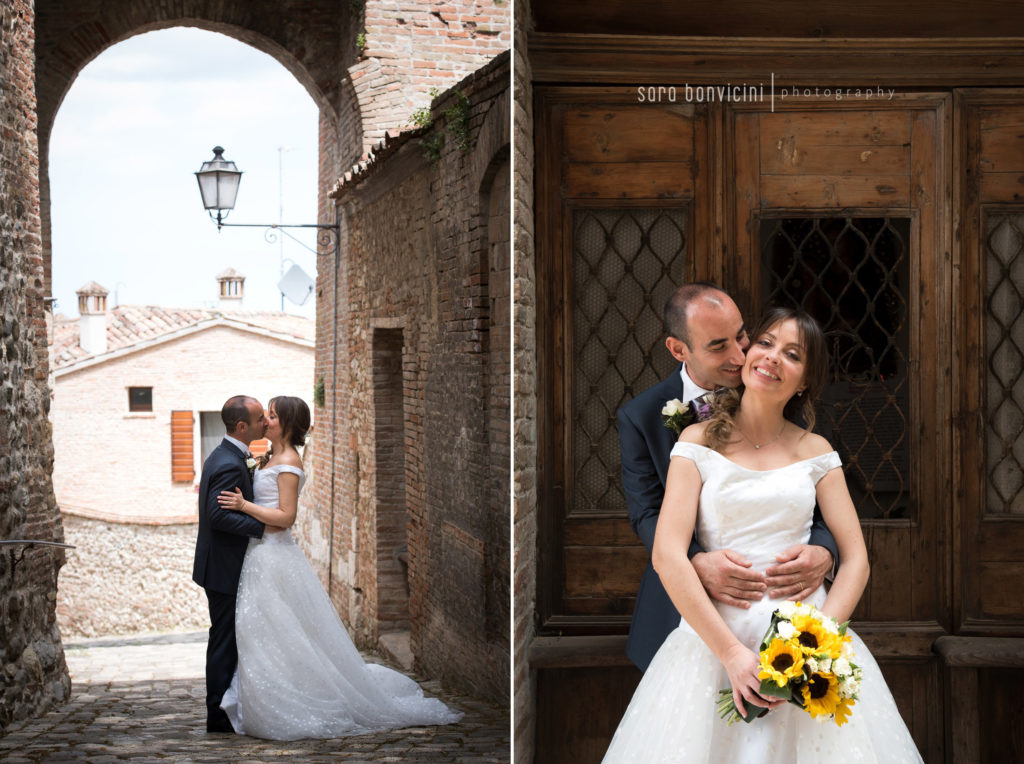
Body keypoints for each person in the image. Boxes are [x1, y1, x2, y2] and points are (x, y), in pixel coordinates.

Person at [603, 308, 922, 762]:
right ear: (748, 350)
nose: (772, 358)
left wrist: (818, 645)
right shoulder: (695, 442)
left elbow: (856, 559)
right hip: (714, 640)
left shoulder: (817, 451)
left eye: (792, 354)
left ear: (807, 379)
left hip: (802, 635)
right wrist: (732, 654)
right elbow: (668, 555)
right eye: (766, 343)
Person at [215, 395, 463, 740]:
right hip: (260, 557)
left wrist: (243, 505)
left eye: (271, 416)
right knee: (263, 632)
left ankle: (298, 700)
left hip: (275, 556)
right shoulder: (270, 458)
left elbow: (286, 518)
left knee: (280, 629)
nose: (266, 421)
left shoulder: (289, 462)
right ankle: (267, 697)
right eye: (265, 416)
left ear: (285, 423)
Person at [618, 284, 838, 671]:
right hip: (683, 610)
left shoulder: (777, 387)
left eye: (742, 336)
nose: (740, 355)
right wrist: (694, 562)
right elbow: (646, 513)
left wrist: (825, 551)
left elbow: (813, 497)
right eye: (719, 346)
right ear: (678, 350)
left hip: (787, 610)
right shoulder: (641, 416)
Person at [192, 395, 270, 733]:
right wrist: (262, 527)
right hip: (224, 568)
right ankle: (218, 716)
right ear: (242, 427)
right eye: (259, 419)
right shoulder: (228, 462)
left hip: (221, 565)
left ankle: (224, 708)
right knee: (224, 639)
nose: (266, 422)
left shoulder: (231, 455)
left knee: (226, 637)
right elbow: (218, 516)